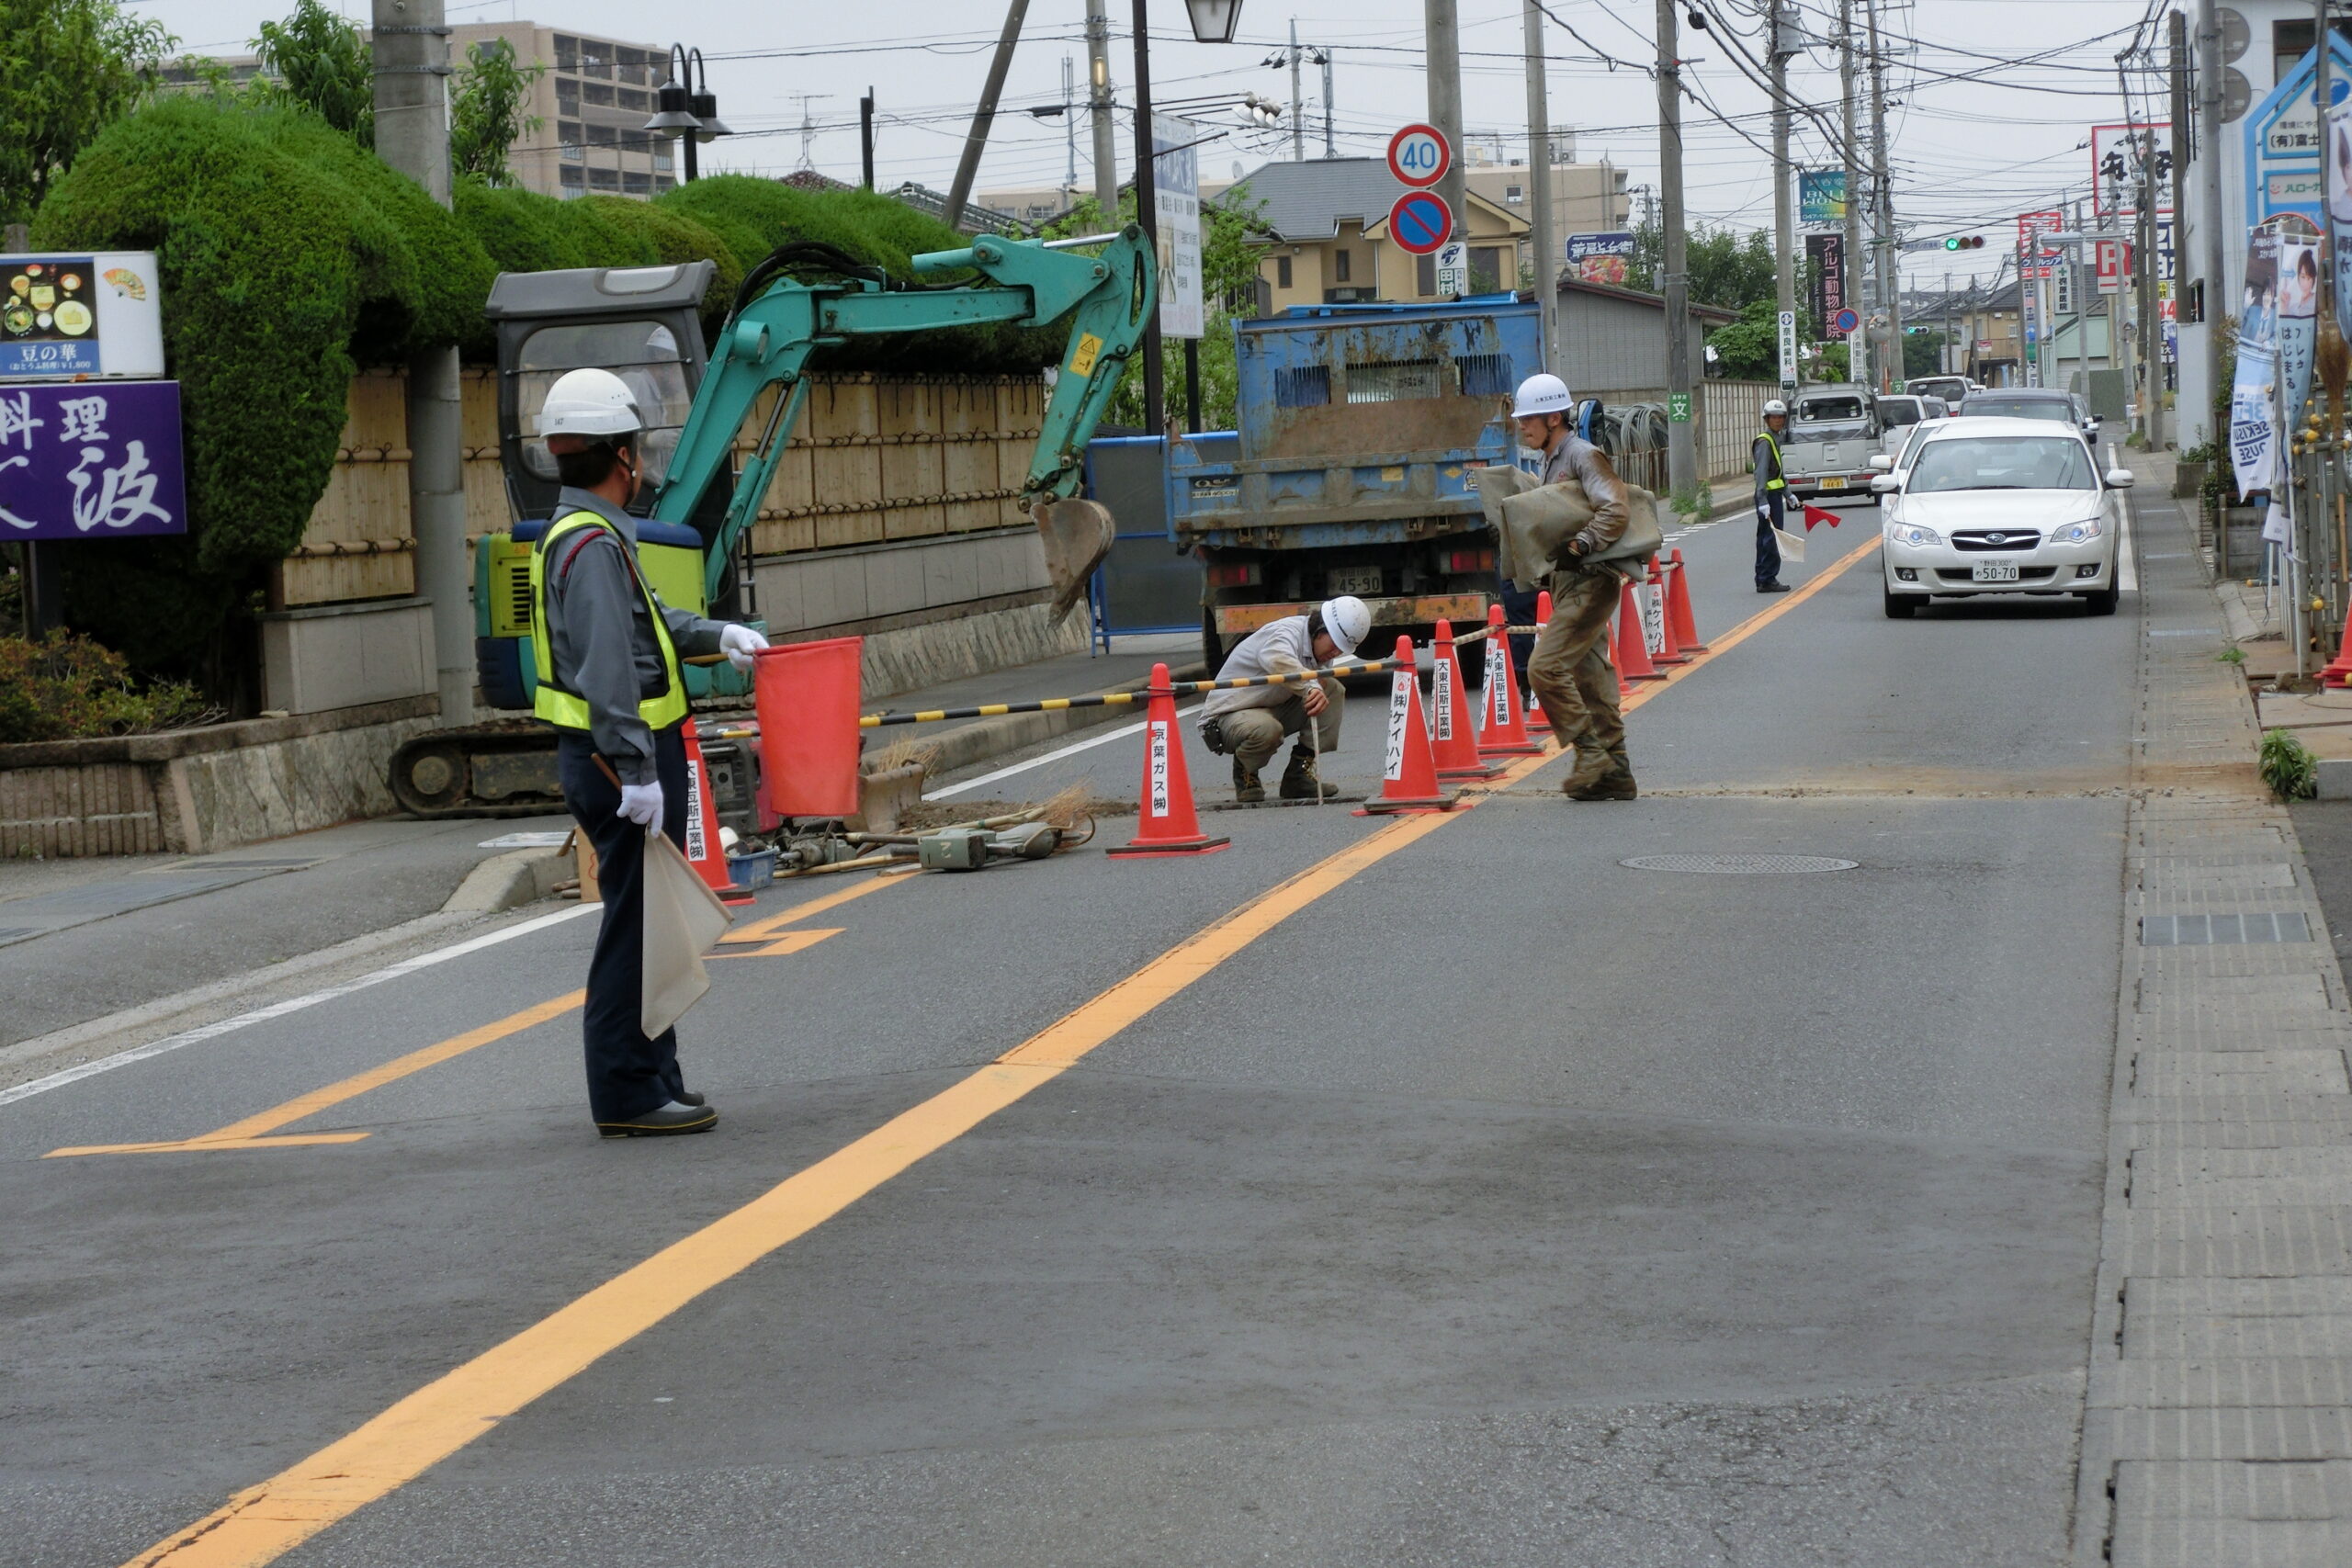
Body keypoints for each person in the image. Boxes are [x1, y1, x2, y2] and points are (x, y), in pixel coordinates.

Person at [528, 367, 770, 1139]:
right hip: (618, 768)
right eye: (635, 447)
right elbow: (607, 670)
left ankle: (654, 1077)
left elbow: (650, 624)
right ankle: (630, 1092)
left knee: (647, 927)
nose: (642, 461)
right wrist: (637, 772)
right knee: (634, 932)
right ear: (619, 456)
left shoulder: (590, 535)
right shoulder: (591, 545)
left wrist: (714, 635)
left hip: (618, 763)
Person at [1511, 373, 1638, 801]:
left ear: (1553, 417)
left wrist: (1583, 542)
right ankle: (1617, 772)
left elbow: (1615, 508)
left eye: (1529, 419)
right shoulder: (1548, 460)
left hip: (1590, 581)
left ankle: (1589, 754)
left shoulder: (1583, 454)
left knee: (1543, 669)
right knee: (1590, 677)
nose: (1522, 426)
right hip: (1568, 583)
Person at [1198, 595, 1370, 803]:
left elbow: (1317, 684)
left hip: (1269, 705)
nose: (1336, 652)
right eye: (1334, 644)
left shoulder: (1320, 650)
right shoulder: (1284, 633)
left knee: (1331, 690)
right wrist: (1310, 687)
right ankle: (1246, 773)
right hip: (1228, 716)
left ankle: (1298, 775)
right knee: (1268, 728)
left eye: (1341, 649)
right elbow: (1278, 661)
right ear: (1319, 629)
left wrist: (1315, 688)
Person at [1753, 399, 1792, 594]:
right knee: (1771, 538)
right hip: (1768, 497)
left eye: (1780, 417)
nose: (1777, 420)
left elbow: (1777, 471)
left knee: (1766, 537)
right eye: (1773, 417)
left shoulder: (1775, 439)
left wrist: (1788, 494)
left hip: (1775, 495)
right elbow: (1760, 473)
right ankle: (1767, 579)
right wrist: (1762, 500)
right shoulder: (1765, 441)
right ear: (1767, 419)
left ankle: (1763, 578)